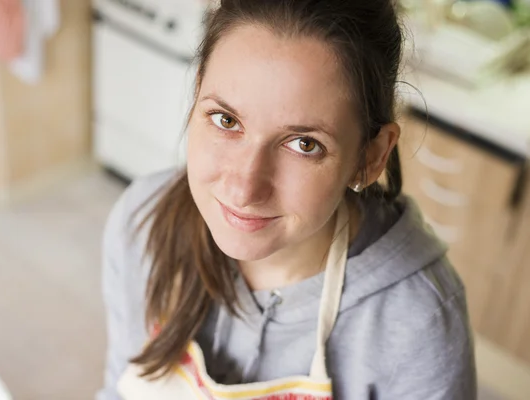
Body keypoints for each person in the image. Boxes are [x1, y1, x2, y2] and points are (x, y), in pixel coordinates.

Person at [97, 1, 477, 399]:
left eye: (304, 144)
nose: (245, 189)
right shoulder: (142, 222)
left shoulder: (419, 322)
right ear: (196, 97)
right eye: (227, 120)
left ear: (370, 157)